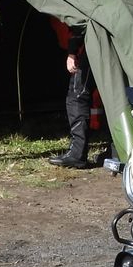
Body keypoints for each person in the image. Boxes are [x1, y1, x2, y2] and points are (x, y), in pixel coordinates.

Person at [47, 17, 105, 168]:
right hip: (117, 44)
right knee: (115, 96)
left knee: (77, 95)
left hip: (95, 44)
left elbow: (81, 21)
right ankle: (117, 150)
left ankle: (77, 154)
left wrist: (72, 52)